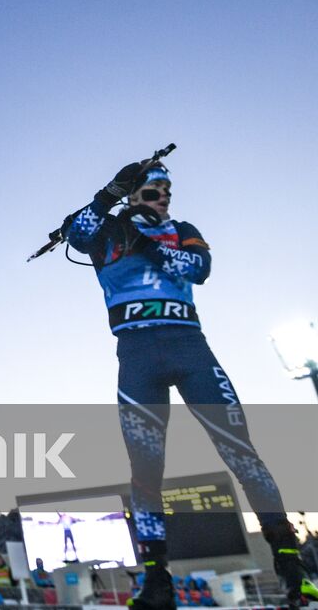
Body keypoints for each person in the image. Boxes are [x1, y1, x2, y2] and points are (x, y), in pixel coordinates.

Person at [65, 161, 311, 610]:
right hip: (137, 357)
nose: (165, 198)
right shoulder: (110, 231)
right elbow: (75, 234)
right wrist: (107, 195)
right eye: (155, 191)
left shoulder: (183, 229)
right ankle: (157, 579)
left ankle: (292, 566)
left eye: (167, 191)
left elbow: (199, 268)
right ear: (135, 193)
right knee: (145, 471)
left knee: (241, 451)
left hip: (191, 351)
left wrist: (151, 243)